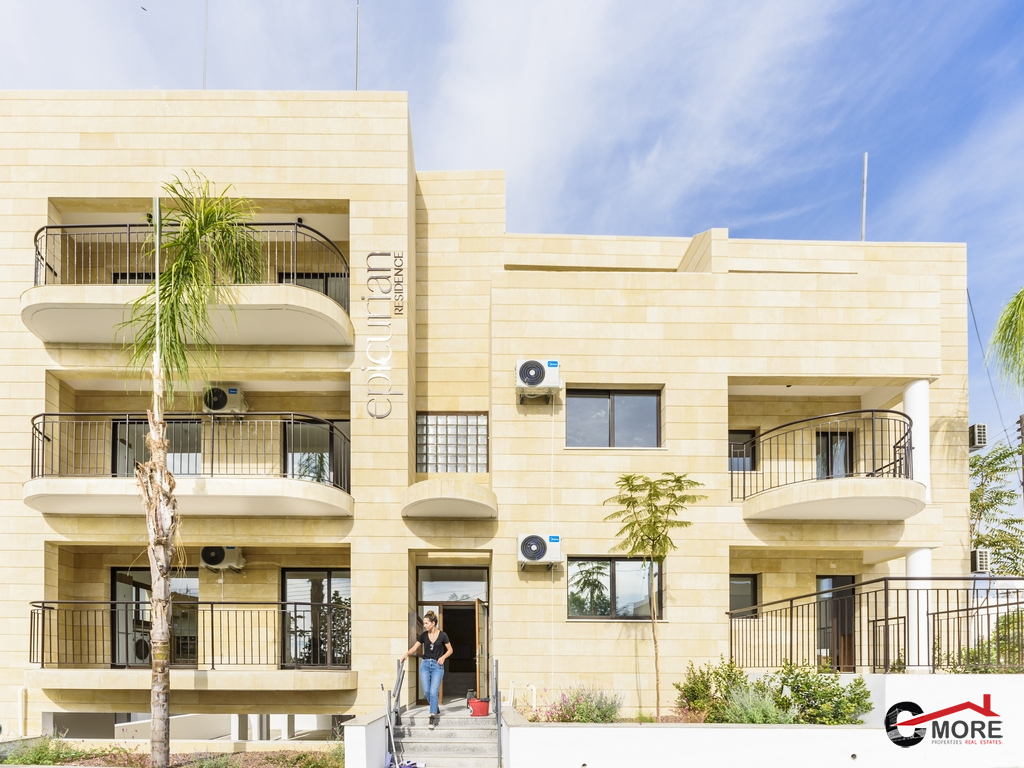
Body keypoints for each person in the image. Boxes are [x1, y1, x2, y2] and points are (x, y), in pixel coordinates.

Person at [401, 610, 453, 729]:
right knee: (426, 691)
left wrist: (443, 657)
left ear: (433, 623)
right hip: (425, 665)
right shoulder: (424, 636)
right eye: (424, 623)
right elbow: (414, 647)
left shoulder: (443, 635)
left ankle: (432, 716)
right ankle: (435, 707)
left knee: (433, 691)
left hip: (437, 666)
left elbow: (450, 650)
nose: (424, 625)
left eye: (426, 623)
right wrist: (406, 654)